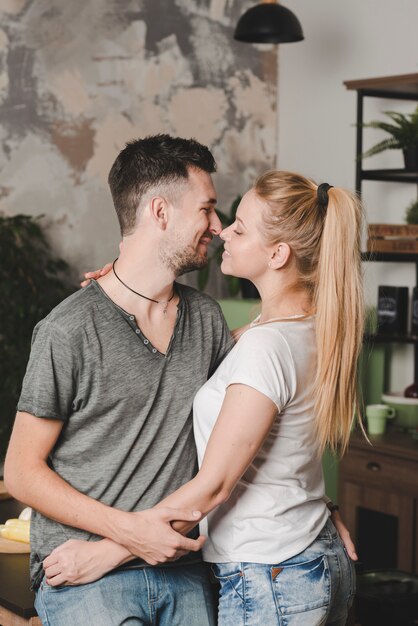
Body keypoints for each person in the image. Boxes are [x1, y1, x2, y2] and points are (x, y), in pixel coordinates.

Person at [37, 170, 363, 625]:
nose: (222, 230)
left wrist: (107, 554)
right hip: (305, 553)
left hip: (270, 574)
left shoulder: (264, 347)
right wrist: (121, 290)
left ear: (278, 253)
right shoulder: (299, 329)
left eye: (240, 228)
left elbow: (214, 486)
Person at [4, 134, 235, 626]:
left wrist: (323, 508)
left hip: (183, 568)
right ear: (160, 212)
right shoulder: (69, 329)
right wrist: (130, 533)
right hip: (84, 573)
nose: (218, 225)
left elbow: (249, 430)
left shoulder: (208, 321)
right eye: (208, 209)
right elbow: (21, 473)